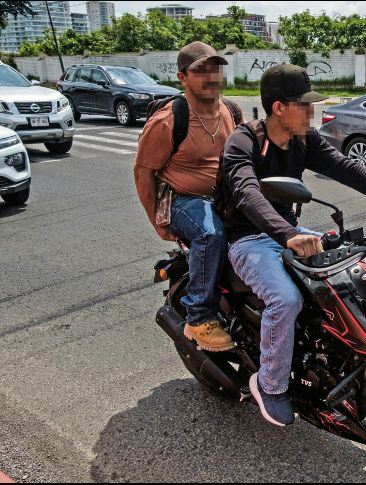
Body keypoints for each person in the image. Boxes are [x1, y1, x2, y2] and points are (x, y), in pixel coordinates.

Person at [219, 64, 366, 427]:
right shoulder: (244, 141)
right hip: (249, 238)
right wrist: (286, 234)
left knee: (356, 276)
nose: (311, 111)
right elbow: (247, 193)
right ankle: (269, 384)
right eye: (304, 104)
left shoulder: (305, 139)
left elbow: (346, 168)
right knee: (286, 299)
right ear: (279, 108)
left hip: (289, 229)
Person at [134, 42, 243, 352]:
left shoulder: (231, 110)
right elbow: (143, 172)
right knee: (211, 233)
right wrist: (156, 219)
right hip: (184, 199)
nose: (211, 77)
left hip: (223, 196)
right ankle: (199, 317)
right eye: (201, 71)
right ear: (182, 78)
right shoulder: (169, 120)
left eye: (215, 69)